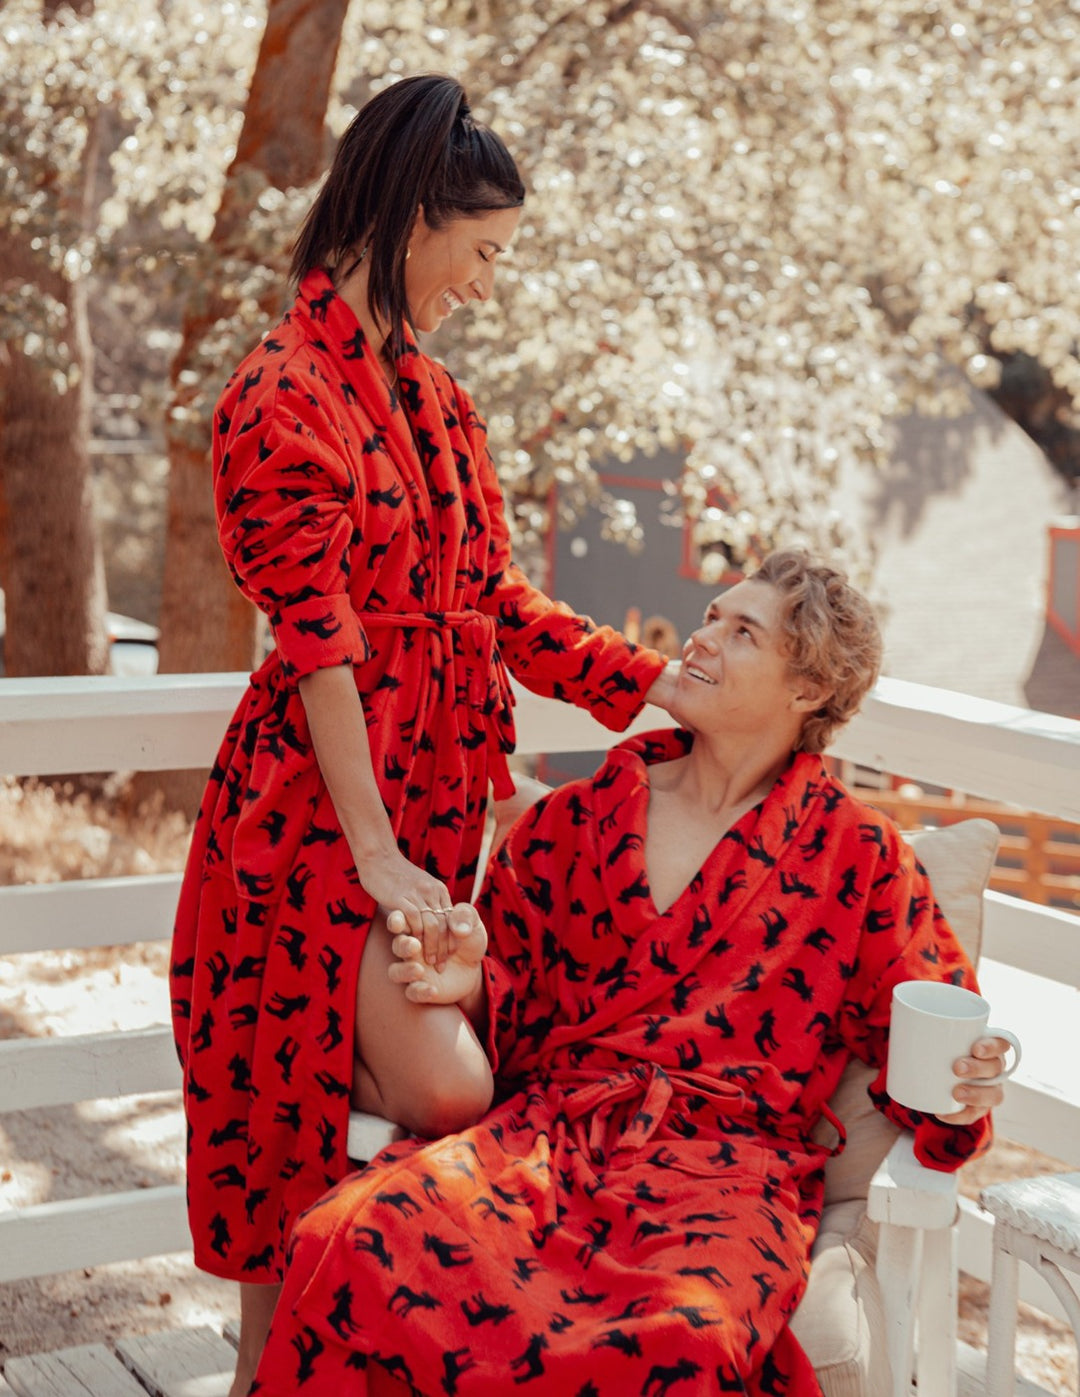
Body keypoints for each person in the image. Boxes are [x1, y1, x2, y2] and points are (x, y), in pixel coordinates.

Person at [168, 74, 677, 1396]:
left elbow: (491, 601)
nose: (490, 283)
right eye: (486, 252)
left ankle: (349, 1341)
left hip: (435, 820)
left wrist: (656, 685)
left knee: (359, 1133)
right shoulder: (279, 395)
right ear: (412, 218)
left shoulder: (442, 404)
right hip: (315, 834)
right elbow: (319, 642)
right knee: (445, 1093)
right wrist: (381, 856)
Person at [248, 550, 1011, 1397]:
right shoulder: (580, 816)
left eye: (742, 631)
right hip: (543, 1143)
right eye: (713, 616)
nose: (703, 637)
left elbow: (929, 1055)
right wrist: (468, 979)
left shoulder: (857, 856)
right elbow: (507, 1013)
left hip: (724, 1175)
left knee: (685, 1338)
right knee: (347, 1237)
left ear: (806, 690)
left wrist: (963, 1084)